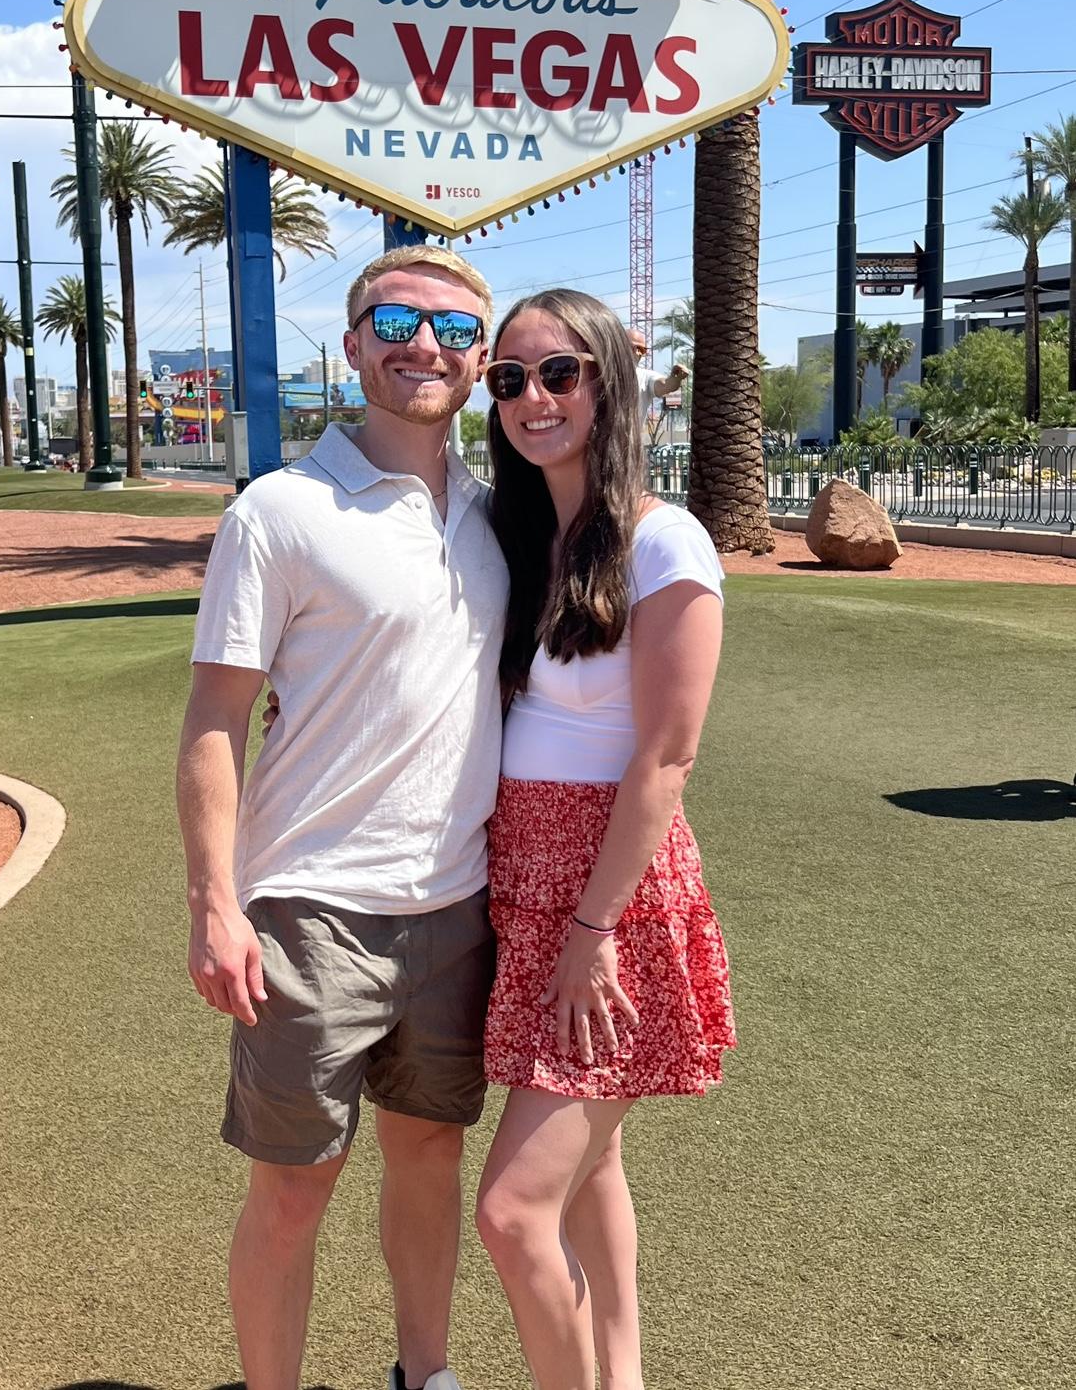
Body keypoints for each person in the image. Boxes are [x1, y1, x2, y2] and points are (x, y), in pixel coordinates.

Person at [176, 244, 507, 1390]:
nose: (427, 346)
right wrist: (215, 904)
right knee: (291, 1190)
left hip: (458, 909)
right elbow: (215, 718)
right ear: (355, 343)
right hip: (309, 912)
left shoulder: (497, 520)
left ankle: (426, 1374)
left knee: (430, 1157)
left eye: (455, 330)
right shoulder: (279, 512)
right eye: (399, 322)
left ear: (480, 357)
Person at [474, 289, 735, 1390]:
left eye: (560, 373)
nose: (533, 398)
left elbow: (666, 760)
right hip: (524, 879)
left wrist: (593, 930)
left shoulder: (664, 541)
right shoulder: (522, 539)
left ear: (608, 384)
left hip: (608, 899)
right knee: (592, 1161)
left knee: (512, 1210)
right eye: (510, 380)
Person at [629, 328, 688, 404]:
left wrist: (676, 378)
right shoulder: (612, 373)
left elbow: (664, 385)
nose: (637, 353)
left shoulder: (645, 376)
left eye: (641, 349)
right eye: (633, 347)